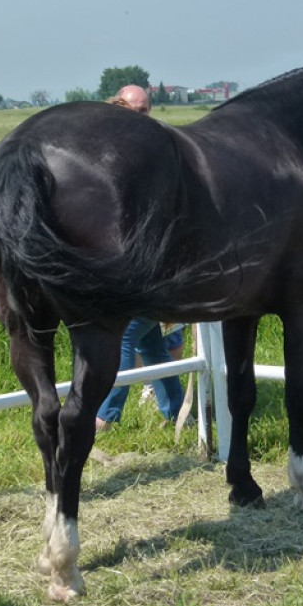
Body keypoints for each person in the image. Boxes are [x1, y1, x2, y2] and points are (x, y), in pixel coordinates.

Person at [96, 85, 185, 432]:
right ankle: (178, 414)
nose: (141, 119)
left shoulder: (157, 156)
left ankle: (104, 417)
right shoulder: (113, 158)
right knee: (151, 348)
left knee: (124, 337)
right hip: (136, 275)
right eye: (134, 111)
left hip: (160, 274)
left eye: (146, 111)